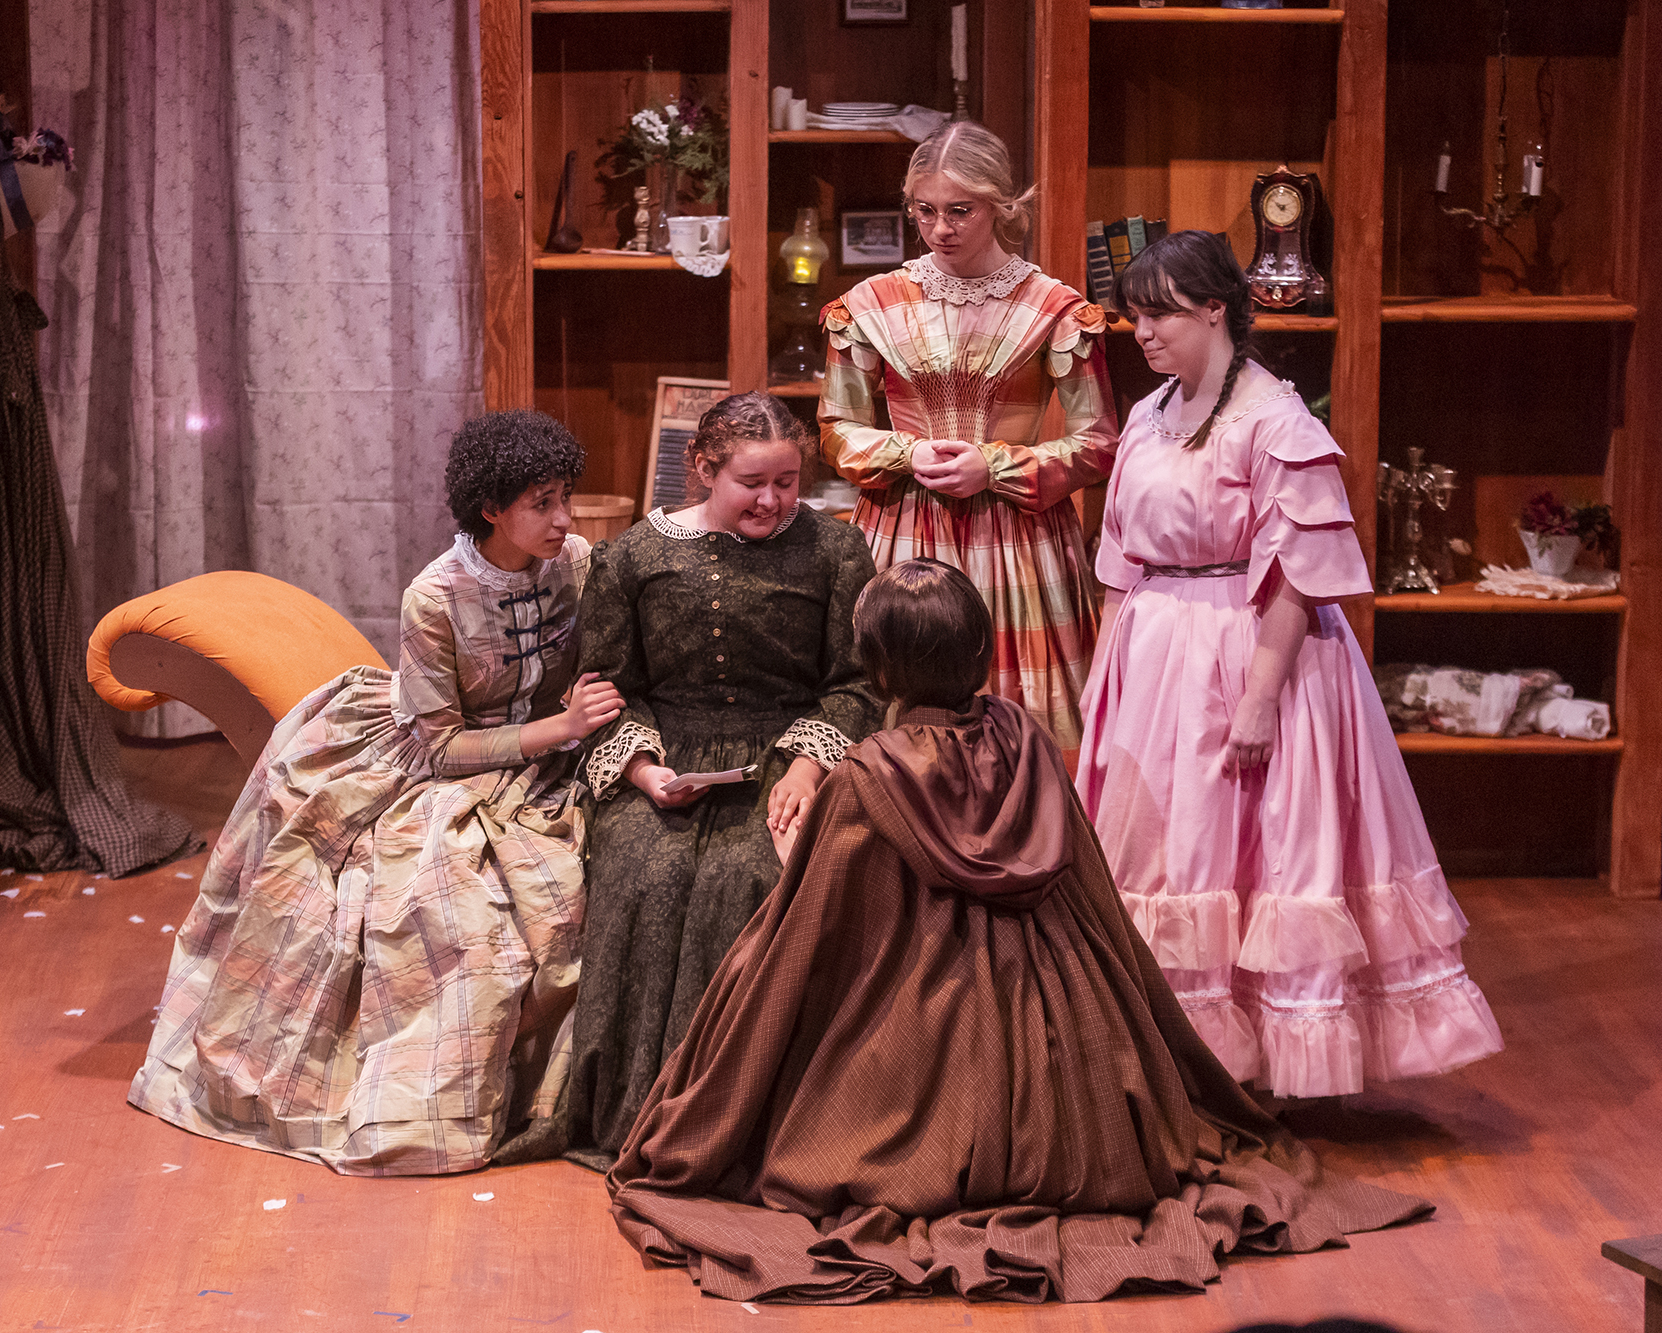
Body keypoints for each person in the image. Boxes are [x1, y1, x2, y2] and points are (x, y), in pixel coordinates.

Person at [607, 559, 1433, 1305]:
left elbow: (811, 934)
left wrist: (795, 862)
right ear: (980, 655)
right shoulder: (1028, 739)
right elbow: (1092, 894)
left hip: (914, 1040)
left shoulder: (868, 773)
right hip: (1063, 1048)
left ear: (881, 667)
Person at [129, 409, 624, 1174]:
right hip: (446, 759)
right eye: (541, 503)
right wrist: (556, 730)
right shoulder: (434, 596)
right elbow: (443, 745)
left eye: (566, 497)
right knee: (439, 902)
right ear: (491, 508)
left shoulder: (577, 562)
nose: (563, 520)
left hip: (554, 748)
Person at [1074, 230, 1505, 1099]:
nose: (1143, 332)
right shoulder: (1152, 416)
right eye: (1134, 316)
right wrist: (1101, 674)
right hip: (1156, 660)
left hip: (1250, 651)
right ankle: (1171, 1060)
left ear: (1215, 309)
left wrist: (1261, 699)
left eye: (1158, 314)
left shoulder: (1275, 421)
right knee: (1164, 851)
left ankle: (1254, 1062)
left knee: (1252, 853)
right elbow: (1120, 558)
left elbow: (1301, 578)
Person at [496, 391, 881, 1172]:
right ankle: (637, 1111)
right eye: (751, 482)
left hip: (788, 755)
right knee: (648, 868)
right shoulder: (633, 555)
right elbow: (608, 687)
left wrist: (807, 767)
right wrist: (642, 771)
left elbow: (857, 685)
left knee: (748, 875)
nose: (772, 499)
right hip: (662, 760)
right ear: (704, 469)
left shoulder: (837, 552)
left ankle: (740, 1122)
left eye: (786, 481)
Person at [818, 120, 1117, 767]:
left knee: (1017, 727)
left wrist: (997, 465)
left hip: (1016, 540)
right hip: (904, 534)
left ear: (1000, 207)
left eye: (961, 210)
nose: (941, 228)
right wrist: (906, 452)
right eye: (925, 211)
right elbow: (837, 429)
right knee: (888, 719)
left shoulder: (1052, 307)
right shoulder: (873, 302)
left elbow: (1098, 442)